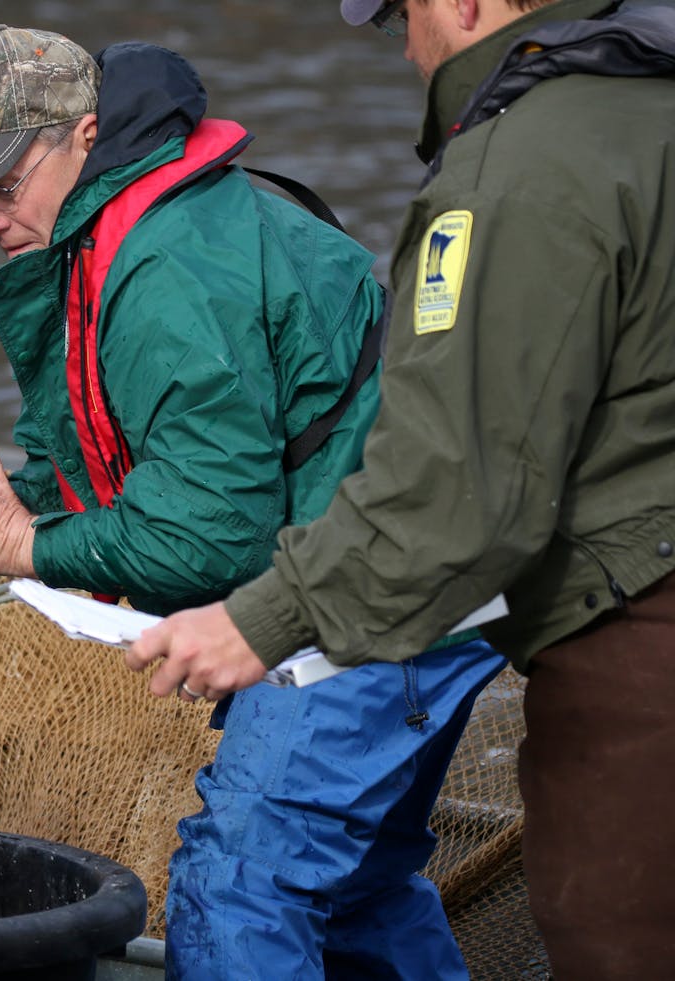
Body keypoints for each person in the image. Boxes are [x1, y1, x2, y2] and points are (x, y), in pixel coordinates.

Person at [0, 25, 505, 979]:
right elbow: (115, 454)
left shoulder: (169, 268)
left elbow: (211, 540)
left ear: (83, 138)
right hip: (430, 560)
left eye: (2, 187)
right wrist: (4, 503)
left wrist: (19, 544)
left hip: (386, 588)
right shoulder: (113, 234)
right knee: (358, 884)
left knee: (236, 885)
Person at [125, 1, 675, 976]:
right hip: (471, 585)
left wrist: (256, 622)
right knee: (364, 876)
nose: (409, 48)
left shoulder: (522, 158)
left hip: (597, 626)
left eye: (401, 18)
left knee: (241, 874)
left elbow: (457, 490)